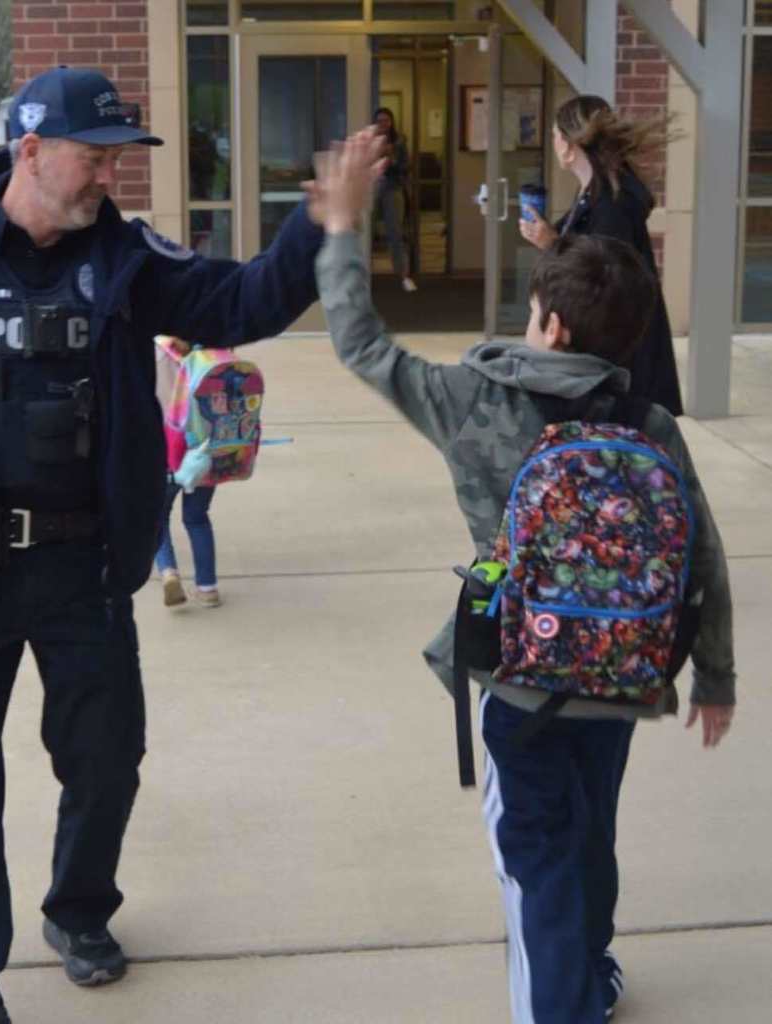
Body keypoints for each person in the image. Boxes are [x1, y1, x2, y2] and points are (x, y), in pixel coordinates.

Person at [0, 66, 334, 1024]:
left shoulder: (128, 261)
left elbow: (242, 304)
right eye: (94, 156)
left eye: (117, 158)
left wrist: (317, 226)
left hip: (80, 564)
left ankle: (79, 910)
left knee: (104, 759)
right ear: (32, 150)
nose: (108, 175)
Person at [312, 129, 735, 1024]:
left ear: (549, 323)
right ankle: (591, 971)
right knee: (589, 832)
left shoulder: (477, 401)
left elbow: (361, 344)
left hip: (523, 676)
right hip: (625, 675)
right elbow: (702, 550)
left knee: (533, 854)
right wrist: (718, 677)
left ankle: (561, 1005)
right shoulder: (649, 420)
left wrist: (344, 227)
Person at [519, 94, 683, 416]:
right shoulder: (596, 192)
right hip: (611, 358)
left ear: (567, 145)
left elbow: (601, 278)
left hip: (616, 366)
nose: (553, 144)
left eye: (554, 136)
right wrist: (550, 239)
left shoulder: (611, 203)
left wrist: (553, 244)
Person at [153, 336, 219, 609]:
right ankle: (208, 588)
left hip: (168, 450)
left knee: (158, 515)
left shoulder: (157, 353)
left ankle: (169, 572)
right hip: (205, 453)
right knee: (197, 518)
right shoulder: (215, 354)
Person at [373, 107, 417, 293]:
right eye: (379, 121)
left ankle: (403, 276)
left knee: (395, 233)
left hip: (393, 188)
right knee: (362, 231)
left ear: (391, 122)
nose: (383, 124)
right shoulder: (370, 142)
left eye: (386, 120)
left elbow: (406, 168)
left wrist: (392, 160)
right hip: (373, 189)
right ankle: (360, 275)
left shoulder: (399, 142)